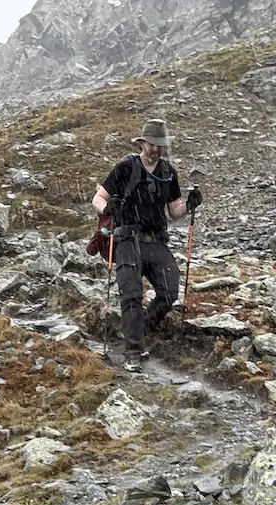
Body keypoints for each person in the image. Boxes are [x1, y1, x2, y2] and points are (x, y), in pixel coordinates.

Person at [92, 118, 203, 372]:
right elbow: (98, 198)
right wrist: (107, 208)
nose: (156, 149)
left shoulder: (168, 173)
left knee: (169, 290)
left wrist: (190, 204)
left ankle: (139, 330)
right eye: (152, 144)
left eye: (160, 146)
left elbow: (174, 211)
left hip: (155, 239)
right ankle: (133, 351)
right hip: (126, 239)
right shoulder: (125, 168)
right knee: (130, 294)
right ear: (142, 143)